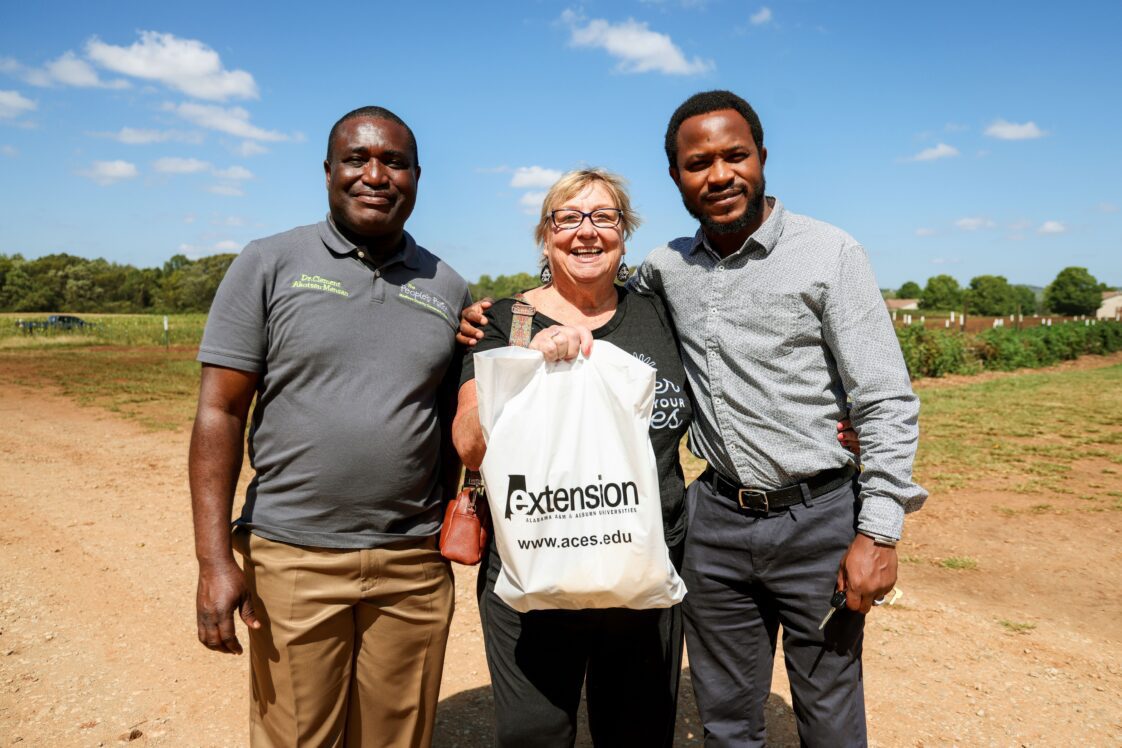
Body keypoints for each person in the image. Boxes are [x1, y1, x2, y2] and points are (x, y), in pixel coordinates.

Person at [459, 90, 924, 747]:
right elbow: (572, 303)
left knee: (830, 715)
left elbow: (884, 396)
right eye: (698, 162)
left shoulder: (829, 254)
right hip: (717, 527)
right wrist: (497, 332)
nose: (719, 174)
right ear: (676, 175)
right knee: (727, 720)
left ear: (762, 157)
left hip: (817, 518)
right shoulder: (667, 271)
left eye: (735, 156)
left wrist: (878, 531)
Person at [189, 106, 469, 748]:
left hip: (411, 566)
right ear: (328, 172)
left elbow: (451, 421)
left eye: (394, 162)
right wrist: (212, 560)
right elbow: (219, 412)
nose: (375, 175)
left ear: (417, 177)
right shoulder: (269, 263)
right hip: (294, 558)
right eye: (357, 159)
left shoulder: (446, 286)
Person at [453, 168, 691, 747]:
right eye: (568, 218)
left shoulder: (661, 313)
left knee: (637, 735)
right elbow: (469, 443)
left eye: (604, 217)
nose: (586, 232)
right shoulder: (504, 323)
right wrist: (524, 368)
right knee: (536, 733)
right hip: (538, 565)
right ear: (545, 234)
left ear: (624, 233)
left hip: (640, 569)